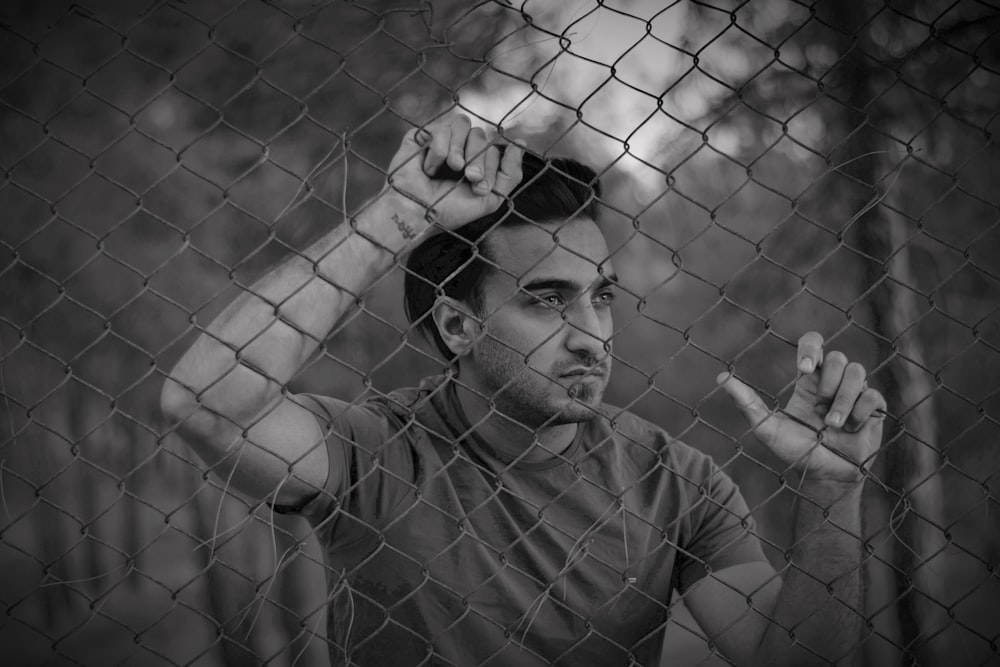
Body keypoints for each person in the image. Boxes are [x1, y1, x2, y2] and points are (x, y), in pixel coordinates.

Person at [160, 114, 886, 666]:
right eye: (545, 300)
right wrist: (396, 217)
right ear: (457, 324)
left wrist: (831, 487)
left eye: (601, 297)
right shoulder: (375, 451)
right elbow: (204, 402)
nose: (590, 334)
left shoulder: (677, 481)